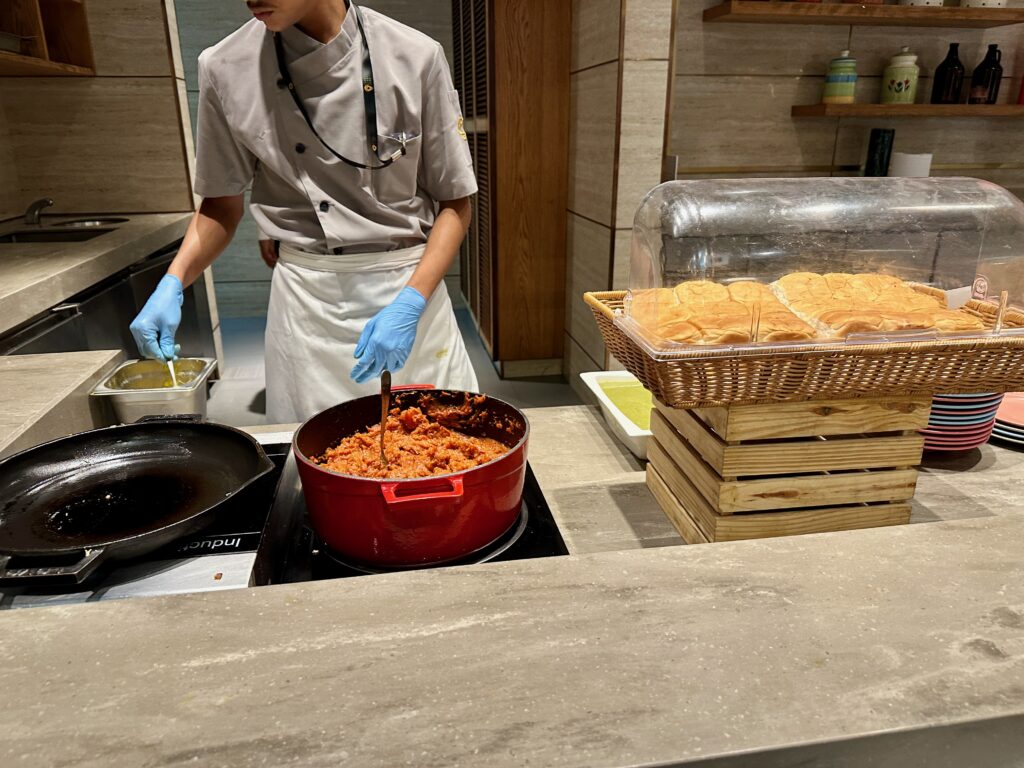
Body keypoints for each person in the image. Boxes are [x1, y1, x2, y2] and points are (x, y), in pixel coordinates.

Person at [130, 0, 479, 423]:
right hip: (307, 300)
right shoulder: (224, 66)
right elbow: (220, 206)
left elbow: (455, 202)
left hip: (410, 286)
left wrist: (410, 302)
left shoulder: (415, 54)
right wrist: (173, 281)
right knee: (313, 465)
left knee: (440, 452)